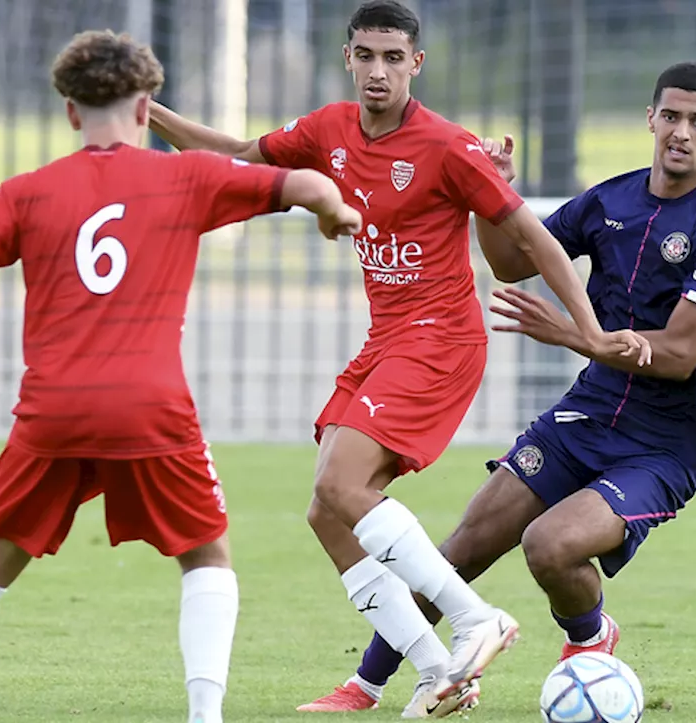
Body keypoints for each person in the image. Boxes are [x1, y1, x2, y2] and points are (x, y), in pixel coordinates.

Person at [147, 0, 649, 717]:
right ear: (348, 57)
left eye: (393, 57)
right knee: (327, 510)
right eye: (366, 55)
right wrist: (148, 113)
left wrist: (592, 331)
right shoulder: (327, 129)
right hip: (386, 341)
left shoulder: (447, 146)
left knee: (344, 484)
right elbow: (240, 155)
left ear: (417, 63)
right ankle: (437, 665)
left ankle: (478, 620)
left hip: (441, 340)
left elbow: (535, 239)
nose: (378, 71)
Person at [0, 29, 363, 723]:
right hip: (148, 406)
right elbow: (304, 182)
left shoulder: (28, 192)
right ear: (146, 109)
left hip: (53, 410)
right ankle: (204, 715)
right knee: (206, 555)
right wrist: (334, 209)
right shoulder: (188, 176)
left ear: (72, 113)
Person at [327, 61, 696, 714]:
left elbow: (677, 354)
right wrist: (490, 198)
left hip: (662, 445)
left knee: (551, 545)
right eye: (670, 116)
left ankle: (589, 636)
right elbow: (509, 260)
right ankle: (364, 685)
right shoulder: (610, 201)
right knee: (462, 547)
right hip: (585, 416)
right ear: (650, 118)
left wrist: (577, 336)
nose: (681, 132)